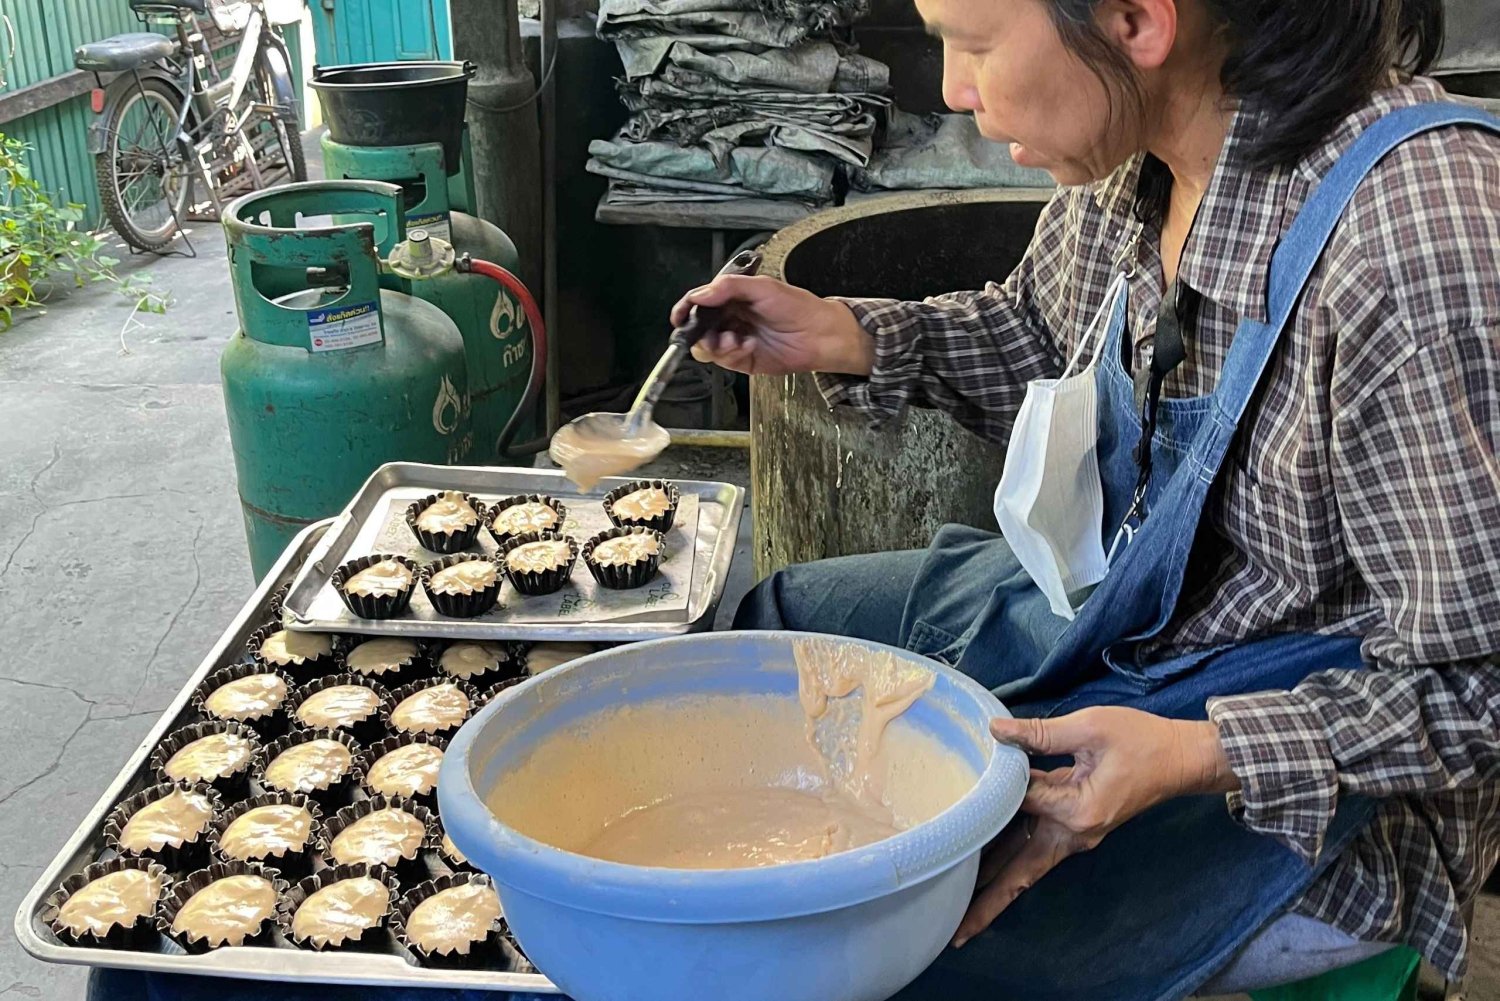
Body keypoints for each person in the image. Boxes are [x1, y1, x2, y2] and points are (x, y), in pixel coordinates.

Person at [679, 0, 1500, 997]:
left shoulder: (1413, 241)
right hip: (1135, 619)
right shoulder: (1135, 156)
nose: (952, 88)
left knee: (863, 927)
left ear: (1134, 20)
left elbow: (1480, 691)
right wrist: (853, 336)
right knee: (773, 635)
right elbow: (1043, 332)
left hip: (1306, 789)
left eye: (974, 44)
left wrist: (1194, 752)